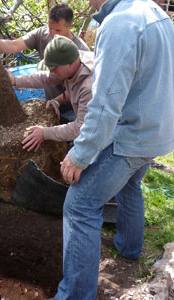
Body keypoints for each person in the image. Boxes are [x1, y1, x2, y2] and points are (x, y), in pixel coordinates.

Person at [49, 0, 174, 298]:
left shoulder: (119, 24)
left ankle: (75, 295)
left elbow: (104, 106)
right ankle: (129, 248)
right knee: (130, 186)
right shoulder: (153, 11)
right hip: (158, 129)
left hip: (133, 135)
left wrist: (80, 154)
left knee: (79, 205)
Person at [6, 35, 94, 152]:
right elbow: (47, 78)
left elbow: (81, 128)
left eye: (54, 68)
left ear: (71, 63)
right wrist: (16, 81)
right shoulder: (74, 58)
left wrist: (45, 133)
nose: (51, 71)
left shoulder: (89, 86)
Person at [0, 3, 90, 101]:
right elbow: (15, 45)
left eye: (58, 30)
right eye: (50, 29)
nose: (53, 34)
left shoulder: (80, 50)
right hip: (50, 100)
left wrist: (57, 102)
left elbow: (78, 88)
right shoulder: (42, 34)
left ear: (70, 26)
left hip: (73, 106)